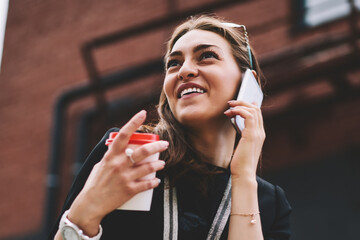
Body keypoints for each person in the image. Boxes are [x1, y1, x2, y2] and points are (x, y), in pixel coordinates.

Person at [50, 14, 291, 240]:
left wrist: (244, 178)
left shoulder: (270, 203)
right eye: (173, 63)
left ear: (249, 83)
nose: (184, 70)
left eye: (207, 56)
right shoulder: (129, 154)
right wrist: (83, 215)